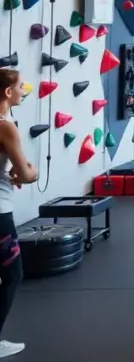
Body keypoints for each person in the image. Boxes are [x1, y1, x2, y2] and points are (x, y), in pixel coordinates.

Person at [0, 70, 38, 358]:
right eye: (20, 86)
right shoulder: (5, 126)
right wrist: (30, 172)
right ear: (7, 92)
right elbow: (24, 173)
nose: (24, 90)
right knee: (13, 274)